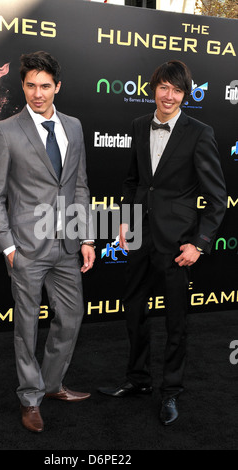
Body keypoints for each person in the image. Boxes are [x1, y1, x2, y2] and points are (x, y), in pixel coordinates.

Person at [98, 60, 227, 426]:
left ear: (186, 94)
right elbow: (133, 181)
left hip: (178, 244)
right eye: (163, 87)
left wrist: (199, 244)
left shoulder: (200, 133)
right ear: (152, 87)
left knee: (175, 321)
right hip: (139, 236)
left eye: (177, 90)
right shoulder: (140, 125)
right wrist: (125, 218)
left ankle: (170, 391)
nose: (169, 96)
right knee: (135, 312)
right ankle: (138, 380)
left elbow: (218, 197)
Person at [0, 51, 95, 433]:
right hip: (27, 249)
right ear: (23, 86)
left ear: (57, 87)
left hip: (67, 244)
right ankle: (29, 398)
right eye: (31, 85)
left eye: (45, 86)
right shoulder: (6, 131)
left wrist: (86, 238)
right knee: (27, 326)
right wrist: (9, 247)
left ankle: (51, 384)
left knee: (70, 318)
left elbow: (79, 185)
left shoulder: (75, 127)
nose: (37, 93)